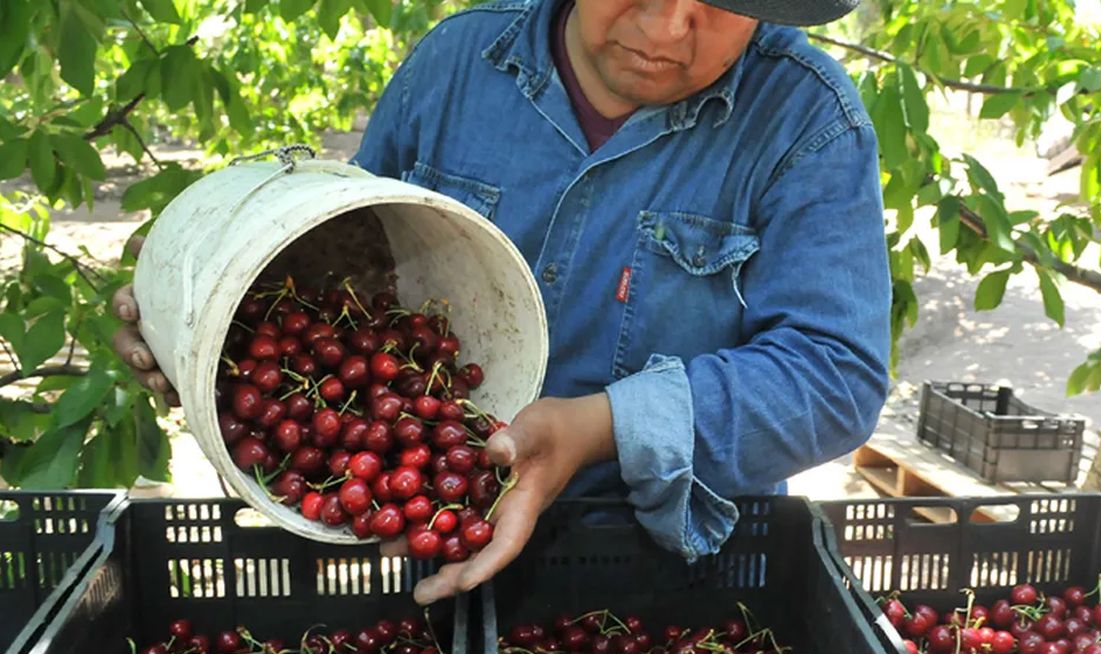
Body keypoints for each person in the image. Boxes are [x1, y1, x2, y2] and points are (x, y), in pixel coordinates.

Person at [112, 0, 891, 606]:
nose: (664, 26)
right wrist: (205, 311)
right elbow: (338, 269)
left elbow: (833, 379)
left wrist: (598, 428)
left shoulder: (808, 121)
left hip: (672, 572)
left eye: (718, 4)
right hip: (434, 536)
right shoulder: (457, 65)